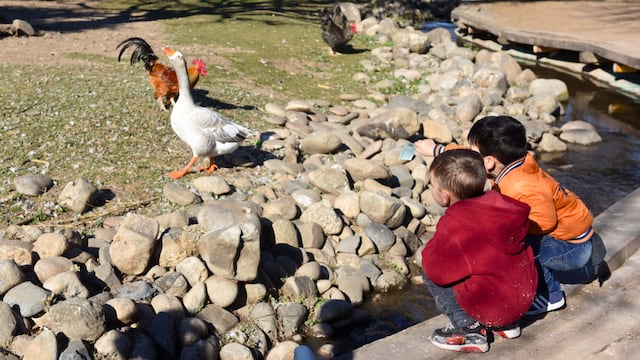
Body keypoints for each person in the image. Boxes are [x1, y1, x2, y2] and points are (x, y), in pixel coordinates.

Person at [416, 115, 609, 317]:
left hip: (572, 247)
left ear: (489, 162)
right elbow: (465, 161)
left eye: (473, 150)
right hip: (572, 236)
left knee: (518, 249)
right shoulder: (513, 161)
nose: (469, 154)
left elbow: (546, 222)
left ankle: (551, 296)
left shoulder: (522, 185)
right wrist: (438, 150)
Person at [421, 149, 537, 353]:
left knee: (429, 270)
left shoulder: (455, 222)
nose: (430, 188)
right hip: (522, 301)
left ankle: (468, 328)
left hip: (494, 308)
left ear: (445, 195)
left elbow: (437, 270)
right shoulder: (502, 205)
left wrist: (432, 250)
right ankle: (506, 325)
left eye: (432, 185)